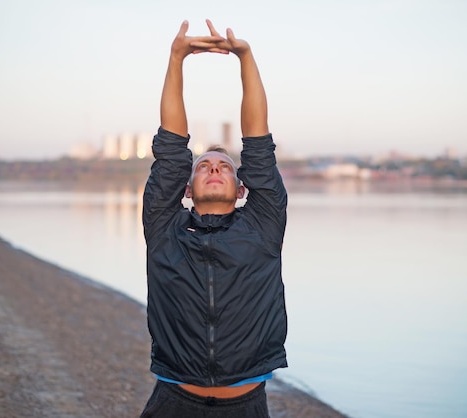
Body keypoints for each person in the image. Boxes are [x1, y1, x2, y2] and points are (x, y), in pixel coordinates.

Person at [140, 19, 288, 418]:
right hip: (173, 401)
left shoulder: (263, 226)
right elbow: (171, 151)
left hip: (246, 405)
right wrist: (176, 59)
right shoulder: (164, 227)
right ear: (186, 189)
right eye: (204, 165)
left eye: (225, 166)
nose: (215, 169)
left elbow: (258, 146)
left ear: (243, 189)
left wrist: (246, 57)